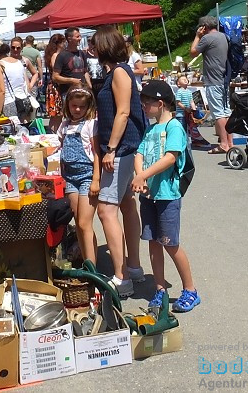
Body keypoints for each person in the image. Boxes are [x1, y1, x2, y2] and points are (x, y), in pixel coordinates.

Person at [133, 79, 200, 313]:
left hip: (167, 195)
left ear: (160, 103)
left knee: (170, 243)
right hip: (149, 196)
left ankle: (190, 289)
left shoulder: (174, 128)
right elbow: (139, 153)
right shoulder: (151, 129)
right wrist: (140, 175)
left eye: (146, 102)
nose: (143, 106)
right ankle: (159, 289)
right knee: (152, 242)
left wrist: (143, 176)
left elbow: (171, 157)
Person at [92, 25, 146, 297]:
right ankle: (133, 267)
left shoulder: (120, 73)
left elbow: (123, 112)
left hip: (122, 148)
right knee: (126, 204)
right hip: (123, 147)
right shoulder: (117, 72)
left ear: (102, 47)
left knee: (106, 209)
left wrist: (111, 149)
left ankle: (122, 276)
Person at [59, 86, 100, 264]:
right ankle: (86, 260)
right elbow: (59, 148)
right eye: (74, 106)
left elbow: (97, 152)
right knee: (78, 222)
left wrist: (96, 179)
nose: (77, 110)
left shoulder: (91, 124)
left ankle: (93, 268)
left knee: (84, 223)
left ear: (88, 107)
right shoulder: (65, 124)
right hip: (69, 177)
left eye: (81, 107)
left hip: (86, 175)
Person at [190, 16, 231, 154]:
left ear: (204, 27)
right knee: (226, 112)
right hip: (224, 79)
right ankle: (229, 142)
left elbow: (193, 52)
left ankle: (224, 144)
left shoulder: (207, 39)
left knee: (218, 113)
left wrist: (197, 36)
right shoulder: (223, 36)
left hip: (213, 80)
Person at [0, 39, 37, 123]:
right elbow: (25, 82)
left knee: (12, 133)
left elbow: (1, 90)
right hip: (24, 100)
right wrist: (30, 86)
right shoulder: (19, 62)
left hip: (10, 103)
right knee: (24, 130)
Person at [53, 27, 90, 96]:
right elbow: (55, 77)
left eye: (80, 36)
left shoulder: (82, 53)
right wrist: (71, 80)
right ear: (69, 38)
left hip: (82, 91)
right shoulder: (62, 55)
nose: (80, 38)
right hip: (68, 94)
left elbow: (85, 72)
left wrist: (89, 86)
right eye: (77, 37)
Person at [174, 74, 208, 148]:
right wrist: (185, 108)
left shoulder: (189, 92)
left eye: (186, 79)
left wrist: (194, 109)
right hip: (181, 114)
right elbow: (178, 102)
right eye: (183, 79)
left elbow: (191, 101)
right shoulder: (179, 91)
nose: (185, 80)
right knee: (181, 128)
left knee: (191, 127)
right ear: (178, 84)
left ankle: (193, 140)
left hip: (189, 113)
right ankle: (180, 141)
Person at [43, 33, 66, 129]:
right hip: (55, 87)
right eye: (63, 42)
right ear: (58, 43)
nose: (65, 44)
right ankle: (54, 133)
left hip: (57, 86)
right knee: (56, 114)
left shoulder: (57, 54)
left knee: (58, 115)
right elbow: (55, 69)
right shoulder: (55, 55)